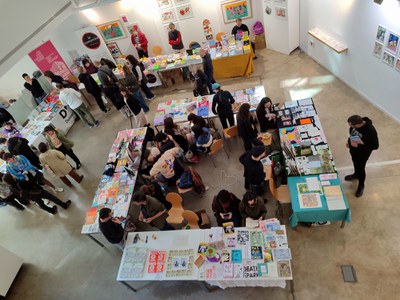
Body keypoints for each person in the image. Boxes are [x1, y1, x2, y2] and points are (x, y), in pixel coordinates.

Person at [3, 173, 71, 215]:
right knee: (51, 197)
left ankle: (52, 211)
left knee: (41, 204)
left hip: (31, 197)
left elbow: (19, 195)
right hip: (37, 191)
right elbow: (32, 183)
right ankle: (64, 205)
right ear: (11, 177)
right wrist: (28, 175)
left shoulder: (11, 188)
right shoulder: (19, 182)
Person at [345, 115, 379, 197]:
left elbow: (375, 146)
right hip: (354, 151)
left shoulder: (370, 131)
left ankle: (361, 185)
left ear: (359, 124)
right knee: (355, 163)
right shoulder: (354, 127)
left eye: (352, 125)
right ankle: (356, 174)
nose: (351, 127)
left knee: (361, 167)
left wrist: (358, 145)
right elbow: (352, 133)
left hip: (363, 153)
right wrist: (348, 141)